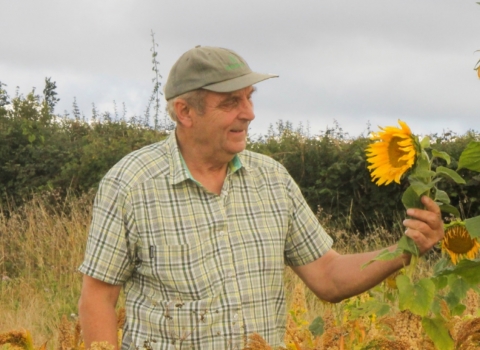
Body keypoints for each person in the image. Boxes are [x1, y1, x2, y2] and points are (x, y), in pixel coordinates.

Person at [78, 46, 444, 350]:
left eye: (249, 99)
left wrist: (404, 249)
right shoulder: (131, 184)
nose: (249, 114)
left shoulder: (272, 180)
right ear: (184, 112)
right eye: (230, 103)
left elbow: (328, 277)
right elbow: (98, 298)